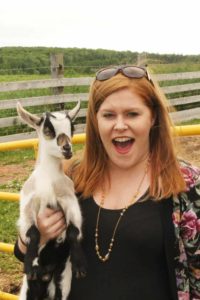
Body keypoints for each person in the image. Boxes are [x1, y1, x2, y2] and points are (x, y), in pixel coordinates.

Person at [14, 65, 200, 300]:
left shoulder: (186, 184)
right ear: (95, 120)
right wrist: (35, 235)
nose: (119, 125)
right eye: (108, 115)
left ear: (152, 117)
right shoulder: (71, 179)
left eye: (132, 114)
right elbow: (25, 255)